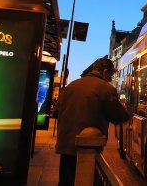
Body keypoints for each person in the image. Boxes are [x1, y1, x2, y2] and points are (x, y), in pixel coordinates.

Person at [55, 57, 131, 186]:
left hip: (65, 145)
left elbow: (56, 112)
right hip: (88, 149)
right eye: (111, 76)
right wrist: (129, 115)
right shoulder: (106, 89)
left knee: (66, 181)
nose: (111, 80)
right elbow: (117, 116)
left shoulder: (71, 86)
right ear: (105, 72)